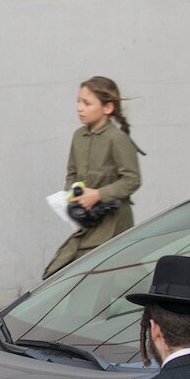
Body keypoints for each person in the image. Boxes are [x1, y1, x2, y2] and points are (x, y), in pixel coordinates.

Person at [48, 75, 144, 276]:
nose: (79, 108)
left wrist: (98, 195)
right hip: (88, 222)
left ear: (107, 108)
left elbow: (132, 179)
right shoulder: (78, 136)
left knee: (114, 278)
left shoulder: (117, 139)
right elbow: (72, 173)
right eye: (78, 102)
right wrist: (71, 196)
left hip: (114, 225)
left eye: (87, 103)